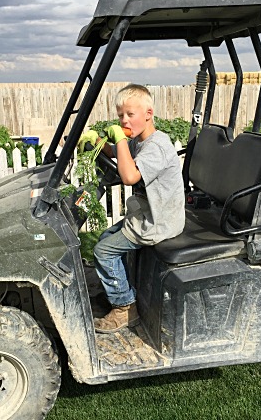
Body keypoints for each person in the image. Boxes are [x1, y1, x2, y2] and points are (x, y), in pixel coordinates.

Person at [78, 84, 185, 333]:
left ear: (148, 113)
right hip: (147, 215)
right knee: (106, 238)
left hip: (158, 222)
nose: (124, 120)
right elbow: (118, 152)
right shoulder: (139, 141)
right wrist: (98, 142)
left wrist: (119, 137)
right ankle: (121, 290)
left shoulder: (156, 147)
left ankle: (125, 308)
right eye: (120, 116)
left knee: (103, 251)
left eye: (130, 115)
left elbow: (129, 177)